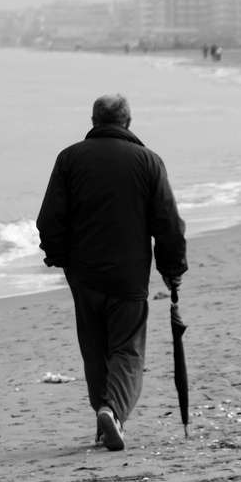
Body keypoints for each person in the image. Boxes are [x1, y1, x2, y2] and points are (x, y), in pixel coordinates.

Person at [36, 94, 187, 451]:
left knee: (95, 350)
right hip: (128, 275)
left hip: (84, 275)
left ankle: (105, 420)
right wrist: (172, 269)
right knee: (127, 349)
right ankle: (112, 412)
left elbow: (49, 218)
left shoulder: (69, 158)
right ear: (129, 122)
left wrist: (60, 257)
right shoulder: (148, 161)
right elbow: (167, 223)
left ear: (93, 120)